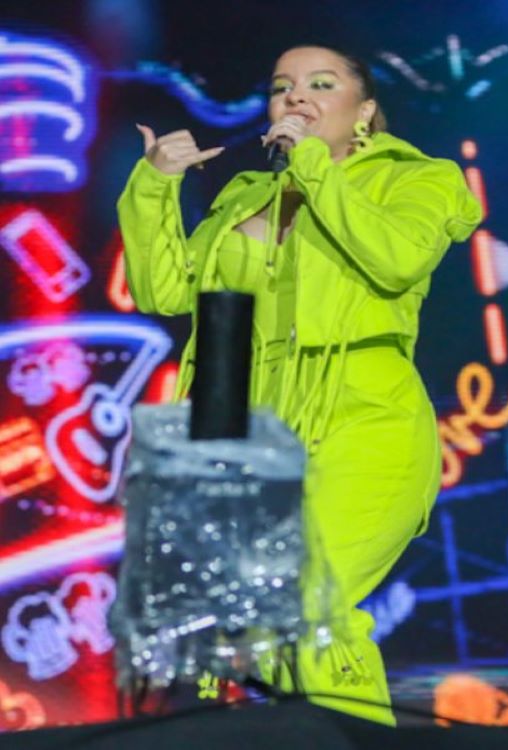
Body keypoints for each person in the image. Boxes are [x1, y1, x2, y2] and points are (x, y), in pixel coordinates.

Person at [117, 44, 483, 725]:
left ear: (365, 111)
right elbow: (165, 290)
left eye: (320, 83)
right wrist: (155, 186)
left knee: (308, 597)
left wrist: (312, 163)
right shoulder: (246, 194)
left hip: (364, 417)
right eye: (282, 86)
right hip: (259, 432)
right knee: (247, 626)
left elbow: (397, 258)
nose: (295, 96)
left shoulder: (417, 179)